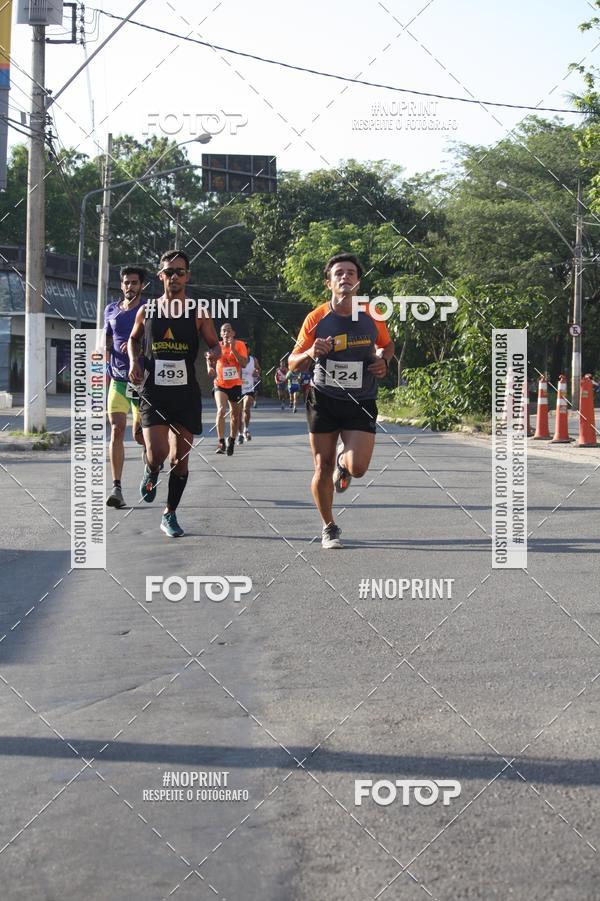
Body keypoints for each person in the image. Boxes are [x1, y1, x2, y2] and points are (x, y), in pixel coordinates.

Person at [288, 252, 394, 549]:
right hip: (324, 398)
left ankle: (343, 465)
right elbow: (293, 362)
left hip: (361, 399)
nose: (345, 277)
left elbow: (387, 346)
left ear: (358, 282)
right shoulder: (316, 318)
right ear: (328, 283)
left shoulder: (373, 315)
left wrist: (384, 361)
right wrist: (311, 352)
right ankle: (329, 526)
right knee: (321, 467)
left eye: (350, 273)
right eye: (338, 273)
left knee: (358, 467)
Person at [127, 250, 220, 537]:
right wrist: (134, 362)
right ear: (161, 276)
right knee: (158, 453)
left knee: (180, 459)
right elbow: (133, 339)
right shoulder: (148, 310)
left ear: (187, 276)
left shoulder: (198, 313)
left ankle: (169, 513)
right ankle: (151, 469)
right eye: (169, 272)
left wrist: (213, 356)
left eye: (180, 272)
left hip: (185, 394)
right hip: (154, 391)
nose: (174, 276)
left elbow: (214, 344)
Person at [104, 266, 147, 509]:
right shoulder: (110, 309)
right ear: (121, 285)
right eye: (126, 282)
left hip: (141, 383)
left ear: (142, 285)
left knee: (140, 435)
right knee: (116, 429)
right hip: (118, 380)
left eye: (134, 282)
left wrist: (137, 347)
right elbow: (107, 340)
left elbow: (157, 341)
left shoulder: (149, 309)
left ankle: (150, 466)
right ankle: (116, 488)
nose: (130, 286)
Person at [207, 322, 248, 455]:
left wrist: (233, 349)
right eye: (224, 331)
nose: (226, 333)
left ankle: (231, 440)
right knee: (221, 410)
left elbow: (243, 364)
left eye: (229, 331)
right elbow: (209, 359)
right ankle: (221, 442)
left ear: (233, 333)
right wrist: (209, 367)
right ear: (220, 334)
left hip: (235, 384)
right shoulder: (217, 346)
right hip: (220, 384)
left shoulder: (240, 345)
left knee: (235, 415)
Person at [239, 350, 261, 443]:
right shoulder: (236, 358)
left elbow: (258, 369)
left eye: (245, 349)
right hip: (237, 389)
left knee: (246, 408)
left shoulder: (253, 360)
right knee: (238, 414)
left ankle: (246, 429)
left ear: (248, 350)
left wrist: (257, 373)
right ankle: (240, 434)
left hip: (249, 389)